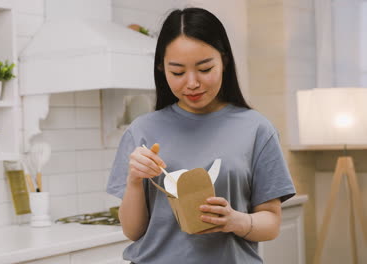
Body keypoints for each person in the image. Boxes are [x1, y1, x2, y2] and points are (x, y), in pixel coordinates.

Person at [106, 7, 296, 264]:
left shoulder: (257, 129)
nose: (192, 83)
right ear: (162, 68)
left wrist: (235, 221)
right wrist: (133, 181)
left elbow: (271, 222)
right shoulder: (141, 130)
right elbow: (133, 231)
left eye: (205, 68)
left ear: (224, 61)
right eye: (178, 72)